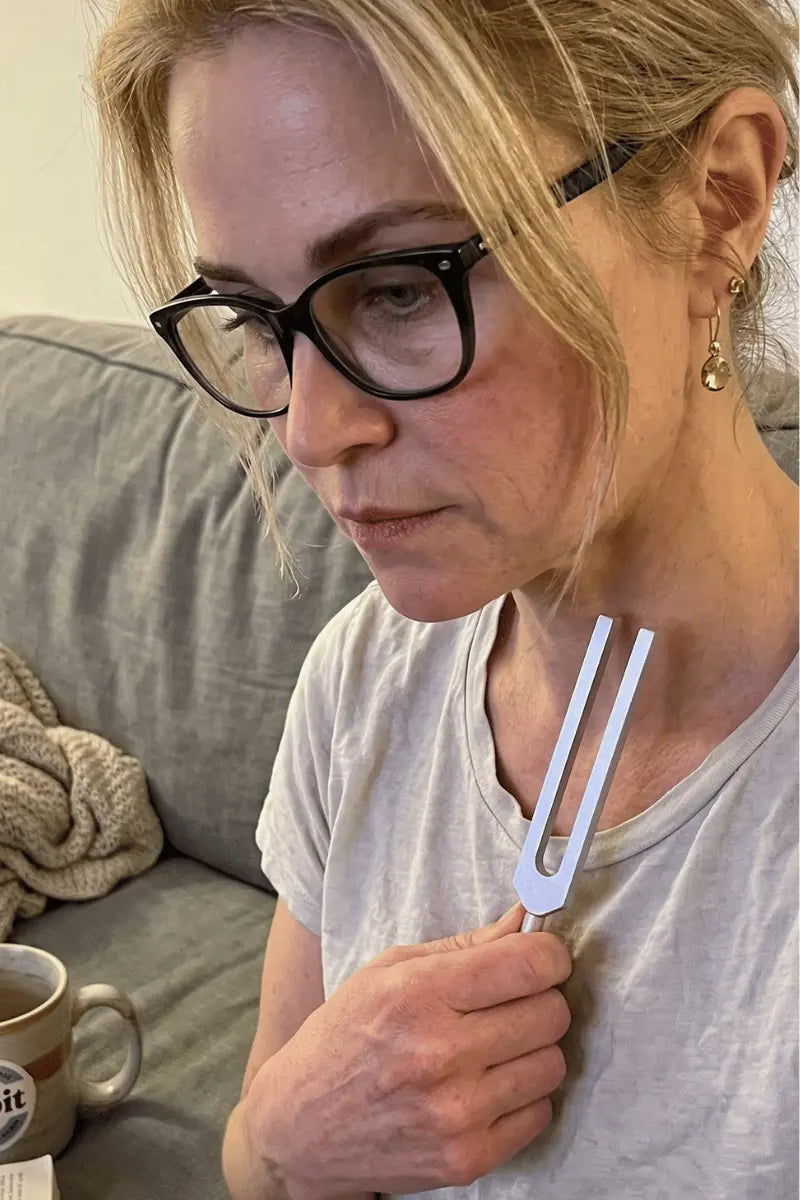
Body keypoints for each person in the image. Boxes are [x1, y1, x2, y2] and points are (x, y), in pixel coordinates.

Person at [91, 1, 799, 1197]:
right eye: (257, 319)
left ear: (718, 200)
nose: (311, 433)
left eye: (399, 289)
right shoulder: (365, 676)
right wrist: (283, 1143)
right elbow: (265, 1161)